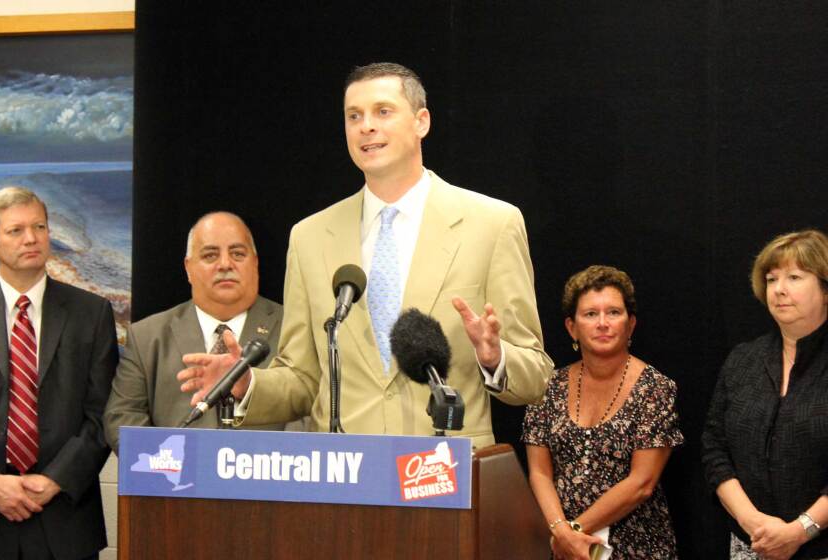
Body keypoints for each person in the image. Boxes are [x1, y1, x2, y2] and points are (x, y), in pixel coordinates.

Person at [177, 62, 554, 447]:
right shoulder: (309, 237)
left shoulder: (492, 224)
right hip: (343, 477)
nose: (366, 126)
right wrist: (248, 383)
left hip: (444, 471)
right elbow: (304, 379)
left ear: (421, 122)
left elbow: (536, 375)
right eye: (353, 116)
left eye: (383, 111)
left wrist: (494, 357)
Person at [0, 186, 118, 559]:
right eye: (16, 230)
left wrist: (56, 480)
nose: (31, 238)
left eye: (39, 227)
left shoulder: (92, 315)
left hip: (63, 520)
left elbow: (103, 413)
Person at [523, 265, 683, 559]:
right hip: (560, 544)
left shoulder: (656, 388)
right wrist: (560, 531)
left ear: (631, 323)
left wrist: (573, 532)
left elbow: (642, 484)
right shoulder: (548, 386)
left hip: (636, 546)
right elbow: (539, 472)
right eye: (590, 314)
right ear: (572, 327)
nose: (602, 323)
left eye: (613, 312)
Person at [103, 212, 285, 451]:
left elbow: (313, 412)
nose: (225, 264)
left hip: (270, 481)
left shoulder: (293, 328)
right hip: (176, 482)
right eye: (210, 255)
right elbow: (122, 416)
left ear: (255, 263)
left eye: (237, 254)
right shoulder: (147, 336)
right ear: (188, 268)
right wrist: (168, 464)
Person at [702, 229, 828, 560]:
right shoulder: (743, 359)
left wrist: (799, 531)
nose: (779, 290)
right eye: (772, 279)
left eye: (795, 277)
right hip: (751, 545)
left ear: (826, 289)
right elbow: (714, 448)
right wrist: (751, 520)